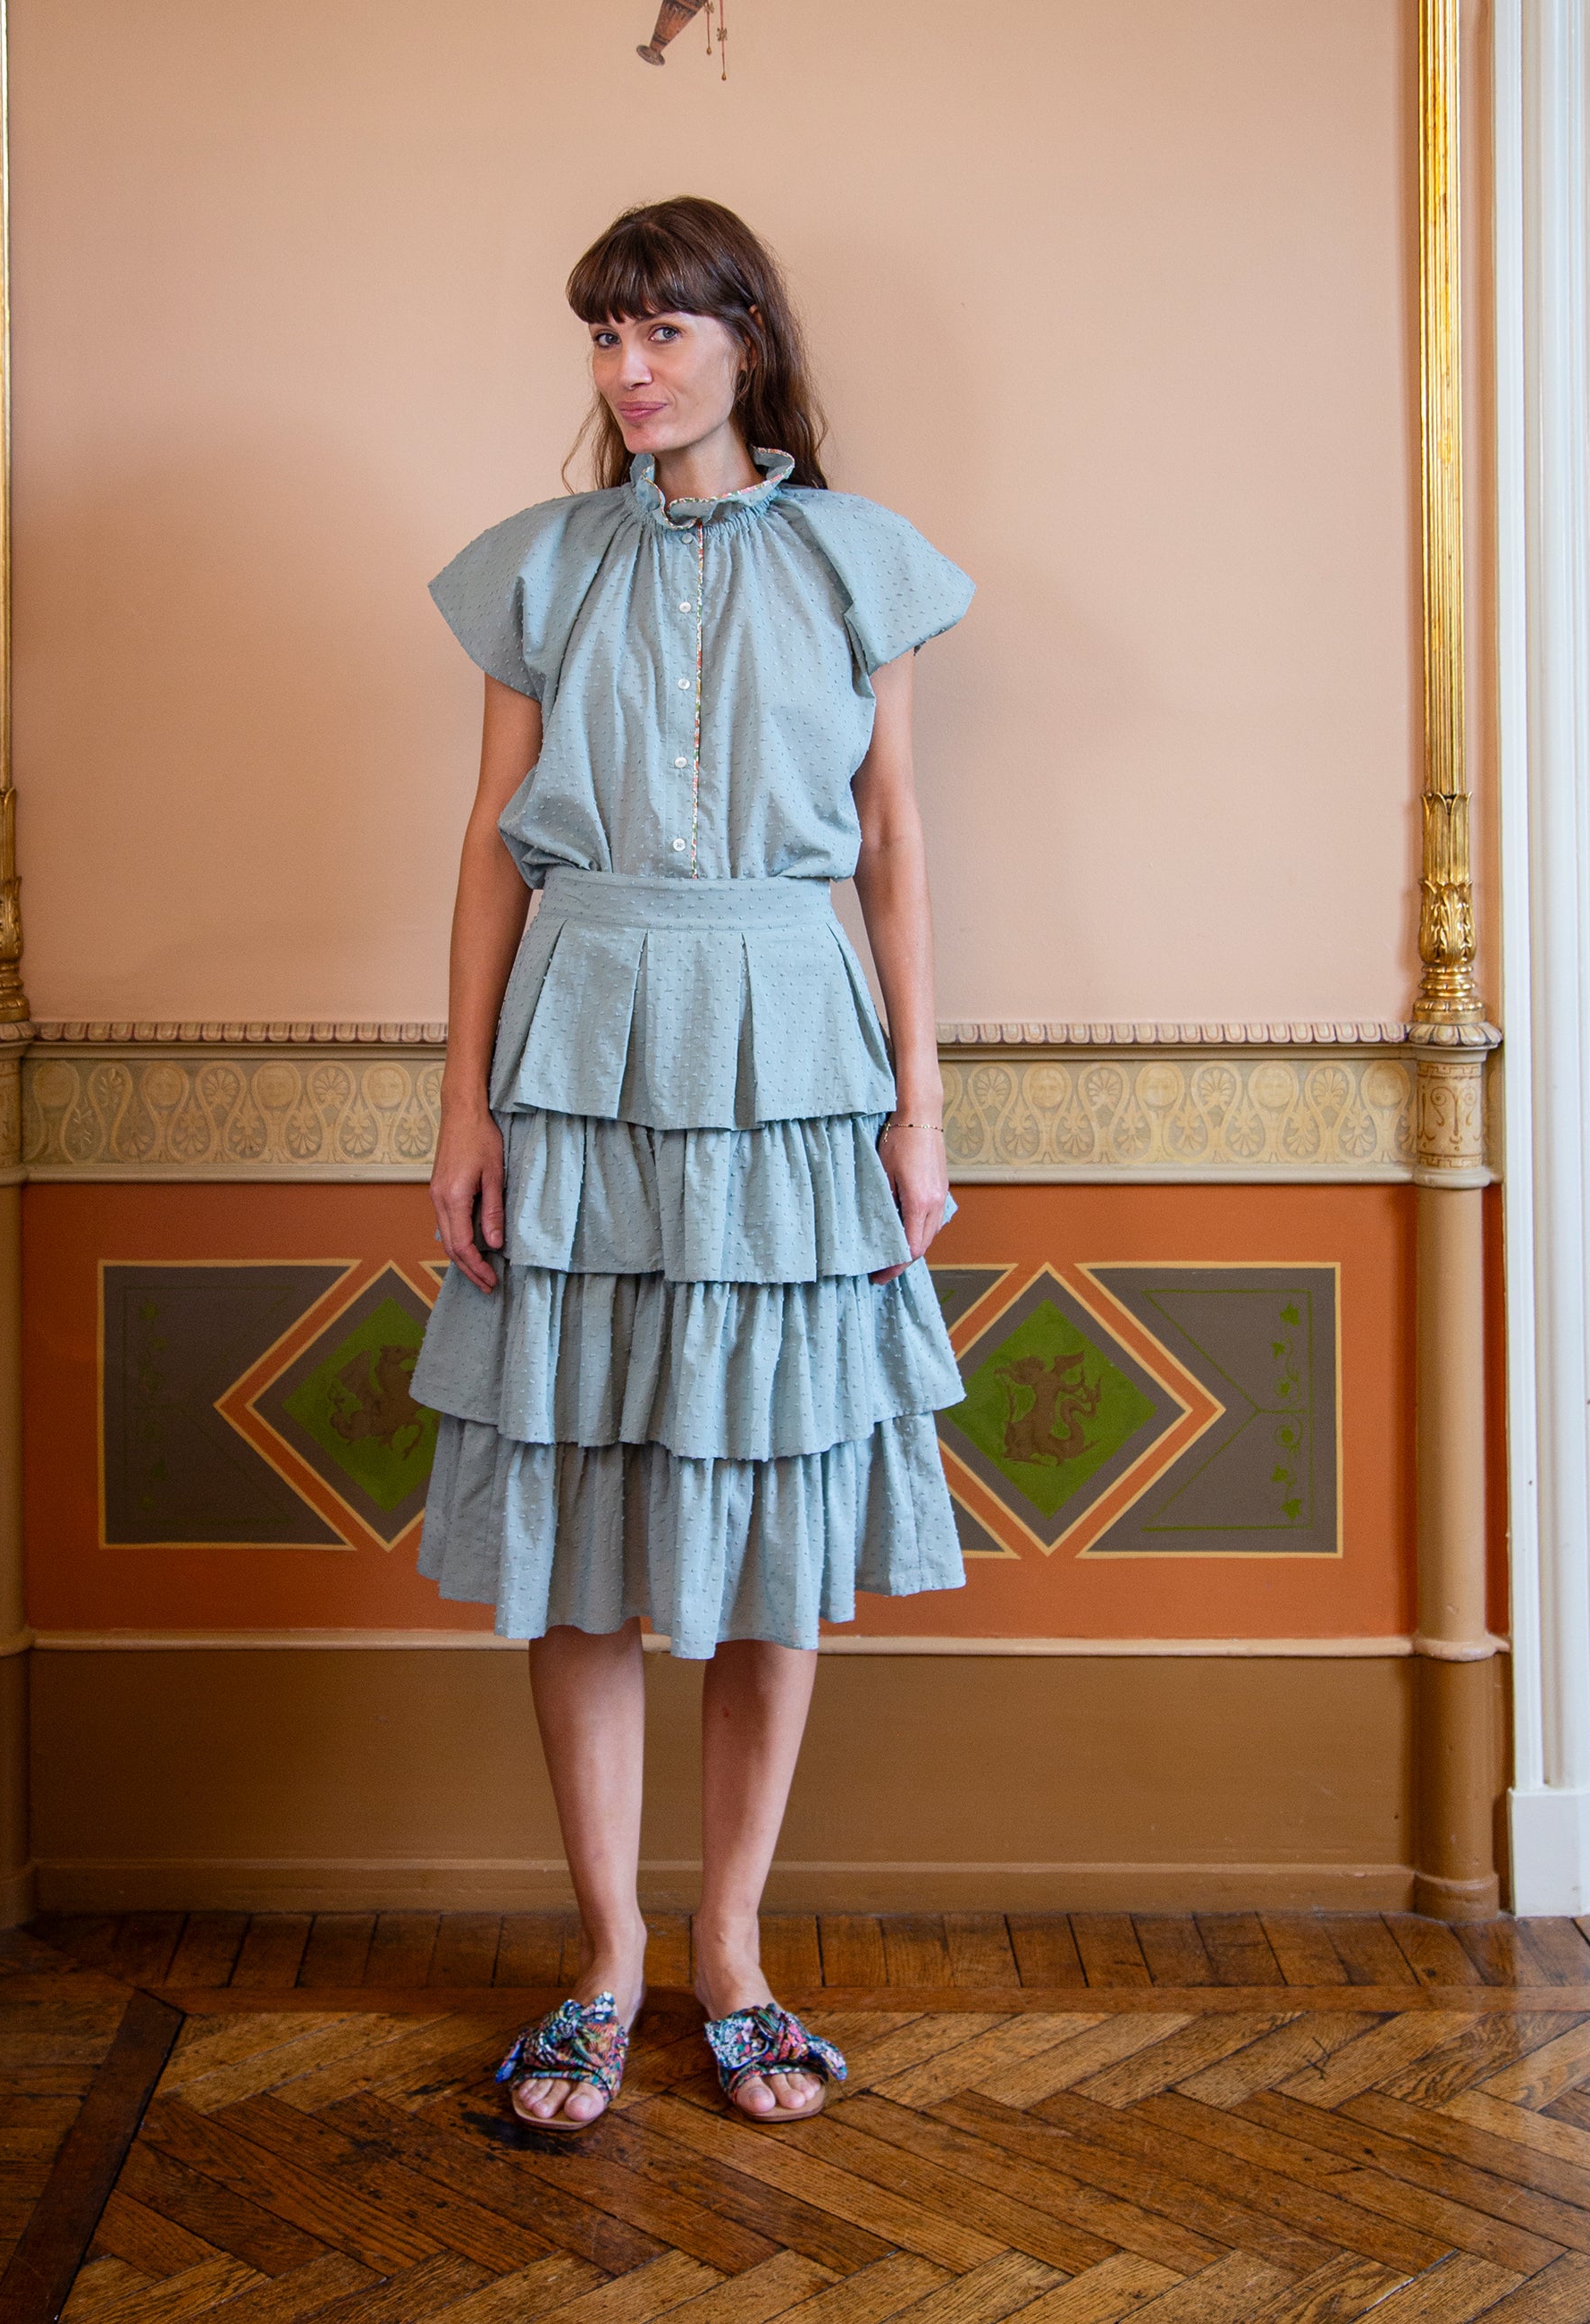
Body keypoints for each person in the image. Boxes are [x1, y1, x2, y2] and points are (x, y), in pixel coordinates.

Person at [414, 196, 974, 2133]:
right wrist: (462, 1105)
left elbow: (892, 845)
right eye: (602, 339)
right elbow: (493, 845)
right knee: (577, 1523)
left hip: (793, 1051)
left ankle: (729, 1948)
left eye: (661, 331)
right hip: (574, 1049)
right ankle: (607, 1956)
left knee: (770, 1525)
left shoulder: (857, 567)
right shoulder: (540, 570)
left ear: (747, 338)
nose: (629, 372)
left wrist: (922, 1103)